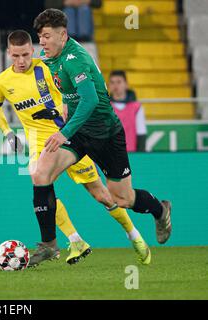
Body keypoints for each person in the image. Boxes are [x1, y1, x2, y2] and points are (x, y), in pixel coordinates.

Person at [0, 30, 152, 267]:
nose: (21, 61)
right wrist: (7, 133)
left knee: (103, 195)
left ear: (32, 50)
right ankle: (74, 240)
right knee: (40, 182)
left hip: (68, 137)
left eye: (25, 54)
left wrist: (57, 111)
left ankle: (134, 235)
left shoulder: (47, 68)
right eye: (16, 56)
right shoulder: (0, 82)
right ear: (8, 53)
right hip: (38, 142)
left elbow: (70, 93)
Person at [29, 9, 171, 258]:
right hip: (78, 132)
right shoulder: (50, 56)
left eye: (47, 36)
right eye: (40, 36)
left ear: (62, 35)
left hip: (106, 134)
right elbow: (66, 93)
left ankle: (160, 210)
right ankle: (49, 245)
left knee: (123, 198)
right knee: (41, 173)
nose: (42, 41)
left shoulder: (76, 59)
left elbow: (90, 99)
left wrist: (64, 132)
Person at [109, 70, 147, 152]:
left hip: (131, 154)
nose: (115, 85)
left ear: (126, 84)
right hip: (110, 154)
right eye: (112, 82)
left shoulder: (137, 107)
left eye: (119, 82)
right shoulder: (105, 107)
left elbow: (141, 133)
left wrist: (141, 155)